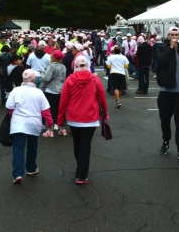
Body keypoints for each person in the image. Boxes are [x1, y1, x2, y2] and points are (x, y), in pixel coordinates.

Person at [58, 56, 108, 184]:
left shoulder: (69, 79)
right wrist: (105, 113)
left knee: (77, 143)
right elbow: (102, 97)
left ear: (74, 66)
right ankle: (82, 175)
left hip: (74, 117)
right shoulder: (94, 79)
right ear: (87, 65)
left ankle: (80, 168)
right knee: (85, 145)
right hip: (90, 117)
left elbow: (63, 100)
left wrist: (60, 119)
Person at [6, 69, 53, 184]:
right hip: (34, 123)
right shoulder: (38, 92)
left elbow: (9, 107)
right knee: (32, 146)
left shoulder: (16, 90)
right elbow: (46, 111)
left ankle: (17, 174)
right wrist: (50, 124)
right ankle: (31, 168)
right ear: (33, 79)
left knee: (18, 148)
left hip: (18, 123)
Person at [156, 26, 179, 161]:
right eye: (171, 34)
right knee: (165, 121)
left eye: (176, 34)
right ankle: (166, 142)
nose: (174, 36)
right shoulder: (161, 48)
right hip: (166, 92)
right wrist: (171, 48)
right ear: (168, 36)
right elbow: (161, 61)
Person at [40, 50, 66, 136]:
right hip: (60, 89)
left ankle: (49, 126)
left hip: (50, 89)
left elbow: (46, 79)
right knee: (58, 108)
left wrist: (42, 74)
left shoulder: (51, 66)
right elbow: (63, 79)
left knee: (49, 108)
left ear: (53, 57)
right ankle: (57, 124)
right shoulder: (63, 66)